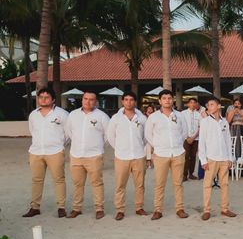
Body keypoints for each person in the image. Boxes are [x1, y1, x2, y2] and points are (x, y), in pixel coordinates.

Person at [22, 87, 69, 218]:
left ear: (53, 99)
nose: (43, 99)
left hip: (55, 152)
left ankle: (61, 207)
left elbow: (68, 133)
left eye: (47, 97)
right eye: (41, 97)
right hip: (36, 152)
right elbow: (33, 131)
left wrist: (59, 144)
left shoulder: (62, 114)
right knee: (36, 180)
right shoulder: (33, 115)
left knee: (59, 179)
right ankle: (35, 207)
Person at [65, 90, 111, 219]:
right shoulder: (73, 115)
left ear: (95, 102)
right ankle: (76, 208)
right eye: (86, 99)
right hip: (76, 155)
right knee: (77, 183)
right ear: (82, 100)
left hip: (94, 156)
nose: (88, 101)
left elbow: (108, 135)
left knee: (96, 183)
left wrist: (99, 147)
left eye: (91, 99)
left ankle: (99, 208)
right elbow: (69, 132)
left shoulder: (102, 116)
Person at [144, 89, 189, 220]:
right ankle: (158, 210)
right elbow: (148, 134)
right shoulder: (153, 117)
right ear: (160, 101)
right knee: (159, 183)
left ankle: (180, 209)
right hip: (160, 154)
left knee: (178, 183)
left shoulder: (179, 116)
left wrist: (177, 144)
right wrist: (157, 146)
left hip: (177, 153)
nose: (167, 100)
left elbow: (184, 132)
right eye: (164, 98)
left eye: (169, 98)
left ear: (172, 100)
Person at [107, 91, 148, 220]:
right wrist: (119, 149)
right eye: (126, 100)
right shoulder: (116, 118)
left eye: (131, 100)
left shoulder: (142, 118)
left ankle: (139, 207)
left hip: (138, 155)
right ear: (122, 102)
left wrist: (139, 147)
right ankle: (120, 209)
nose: (129, 102)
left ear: (135, 102)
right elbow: (110, 136)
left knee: (140, 184)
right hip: (121, 156)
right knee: (120, 185)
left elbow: (145, 137)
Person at [199, 96, 236, 220]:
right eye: (208, 105)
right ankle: (207, 210)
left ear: (219, 106)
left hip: (224, 158)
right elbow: (202, 142)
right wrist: (203, 160)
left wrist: (230, 158)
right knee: (207, 184)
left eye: (212, 104)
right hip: (211, 158)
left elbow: (228, 141)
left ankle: (225, 209)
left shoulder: (224, 122)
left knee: (224, 184)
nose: (209, 107)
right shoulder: (205, 122)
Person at [181, 97, 201, 181]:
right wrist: (187, 137)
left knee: (193, 156)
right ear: (188, 104)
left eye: (194, 103)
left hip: (195, 139)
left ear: (196, 104)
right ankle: (184, 175)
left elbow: (200, 127)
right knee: (186, 156)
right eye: (191, 102)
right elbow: (181, 126)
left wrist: (193, 137)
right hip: (186, 138)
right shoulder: (183, 113)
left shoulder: (199, 114)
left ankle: (191, 174)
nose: (192, 104)